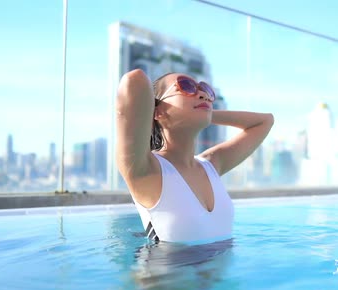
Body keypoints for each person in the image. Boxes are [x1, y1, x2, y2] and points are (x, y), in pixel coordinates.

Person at [115, 69, 274, 244]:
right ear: (157, 112)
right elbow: (134, 80)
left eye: (205, 90)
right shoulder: (145, 169)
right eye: (186, 86)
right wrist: (195, 110)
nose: (202, 94)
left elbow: (265, 121)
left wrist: (205, 112)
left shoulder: (212, 164)